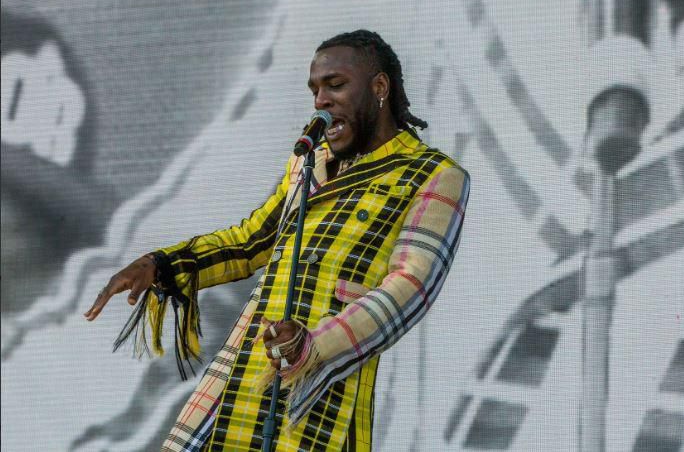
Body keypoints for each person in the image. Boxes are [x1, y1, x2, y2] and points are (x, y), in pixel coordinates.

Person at [85, 30, 471, 451]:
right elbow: (251, 242)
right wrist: (161, 263)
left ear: (379, 87)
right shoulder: (310, 163)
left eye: (336, 85)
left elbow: (408, 287)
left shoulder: (433, 175)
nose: (321, 100)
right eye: (316, 90)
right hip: (237, 384)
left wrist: (313, 346)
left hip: (319, 395)